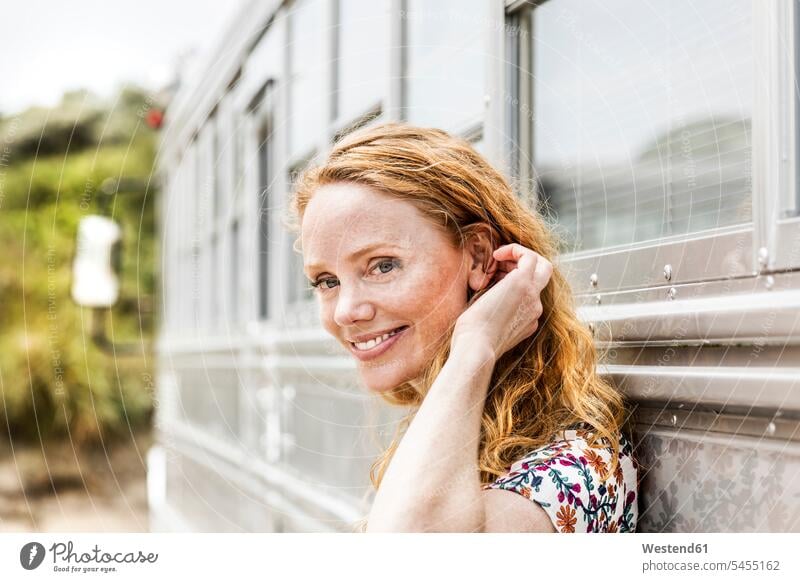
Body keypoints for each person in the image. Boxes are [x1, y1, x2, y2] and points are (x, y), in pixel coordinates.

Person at [290, 122, 638, 533]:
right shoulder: (466, 429)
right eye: (327, 282)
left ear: (477, 257)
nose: (346, 310)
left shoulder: (570, 468)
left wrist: (476, 345)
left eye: (383, 265)